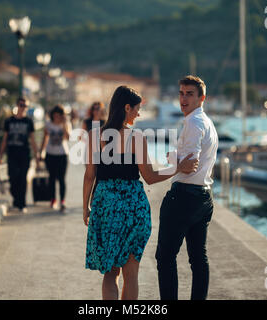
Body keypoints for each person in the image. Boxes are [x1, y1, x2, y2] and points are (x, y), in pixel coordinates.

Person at [83, 85, 198, 300]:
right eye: (137, 108)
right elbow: (150, 177)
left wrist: (86, 208)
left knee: (110, 273)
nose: (139, 113)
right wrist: (178, 168)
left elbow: (89, 176)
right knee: (131, 273)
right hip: (133, 208)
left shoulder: (94, 136)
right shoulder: (136, 138)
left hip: (105, 207)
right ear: (127, 108)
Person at [155, 75, 218, 300]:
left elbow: (189, 165)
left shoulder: (193, 122)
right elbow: (189, 163)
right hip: (203, 197)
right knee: (198, 258)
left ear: (202, 98)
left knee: (165, 258)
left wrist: (173, 161)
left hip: (184, 197)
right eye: (181, 93)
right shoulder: (206, 122)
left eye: (189, 94)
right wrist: (177, 159)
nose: (183, 98)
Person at [0, 97, 40, 213]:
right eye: (21, 105)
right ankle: (16, 199)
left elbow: (33, 140)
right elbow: (5, 139)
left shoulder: (28, 121)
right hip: (11, 154)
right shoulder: (9, 121)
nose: (23, 107)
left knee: (22, 179)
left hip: (24, 154)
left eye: (25, 105)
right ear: (17, 106)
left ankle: (22, 203)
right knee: (13, 178)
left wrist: (37, 156)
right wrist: (0, 156)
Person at [40, 104, 72, 211]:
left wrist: (64, 125)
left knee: (62, 179)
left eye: (59, 115)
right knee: (52, 178)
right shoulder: (48, 124)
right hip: (50, 154)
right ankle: (53, 199)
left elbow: (68, 138)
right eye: (55, 115)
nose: (57, 117)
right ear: (52, 115)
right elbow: (45, 138)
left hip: (62, 154)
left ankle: (62, 201)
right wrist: (41, 152)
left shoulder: (66, 124)